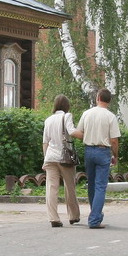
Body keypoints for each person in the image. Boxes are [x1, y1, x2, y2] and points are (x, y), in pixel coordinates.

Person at [75, 88, 121, 229]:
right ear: (109, 100)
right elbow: (114, 140)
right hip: (103, 151)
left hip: (89, 150)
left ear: (98, 98)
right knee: (101, 186)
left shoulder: (87, 113)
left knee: (92, 185)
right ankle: (95, 219)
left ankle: (95, 215)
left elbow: (78, 132)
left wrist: (89, 137)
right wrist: (115, 155)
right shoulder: (110, 116)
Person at [41, 94, 81, 228]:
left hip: (50, 157)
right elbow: (71, 131)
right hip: (65, 157)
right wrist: (84, 135)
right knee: (70, 187)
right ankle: (73, 216)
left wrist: (45, 159)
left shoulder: (48, 119)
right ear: (66, 106)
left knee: (51, 188)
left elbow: (45, 142)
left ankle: (53, 218)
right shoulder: (67, 116)